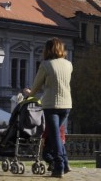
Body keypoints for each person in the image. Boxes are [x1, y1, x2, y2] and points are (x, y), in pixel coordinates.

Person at [25, 38, 73, 178]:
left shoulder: (45, 65)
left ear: (47, 50)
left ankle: (59, 166)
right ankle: (65, 163)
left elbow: (36, 85)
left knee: (55, 136)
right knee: (57, 135)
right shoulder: (69, 64)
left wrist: (29, 96)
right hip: (67, 104)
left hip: (51, 105)